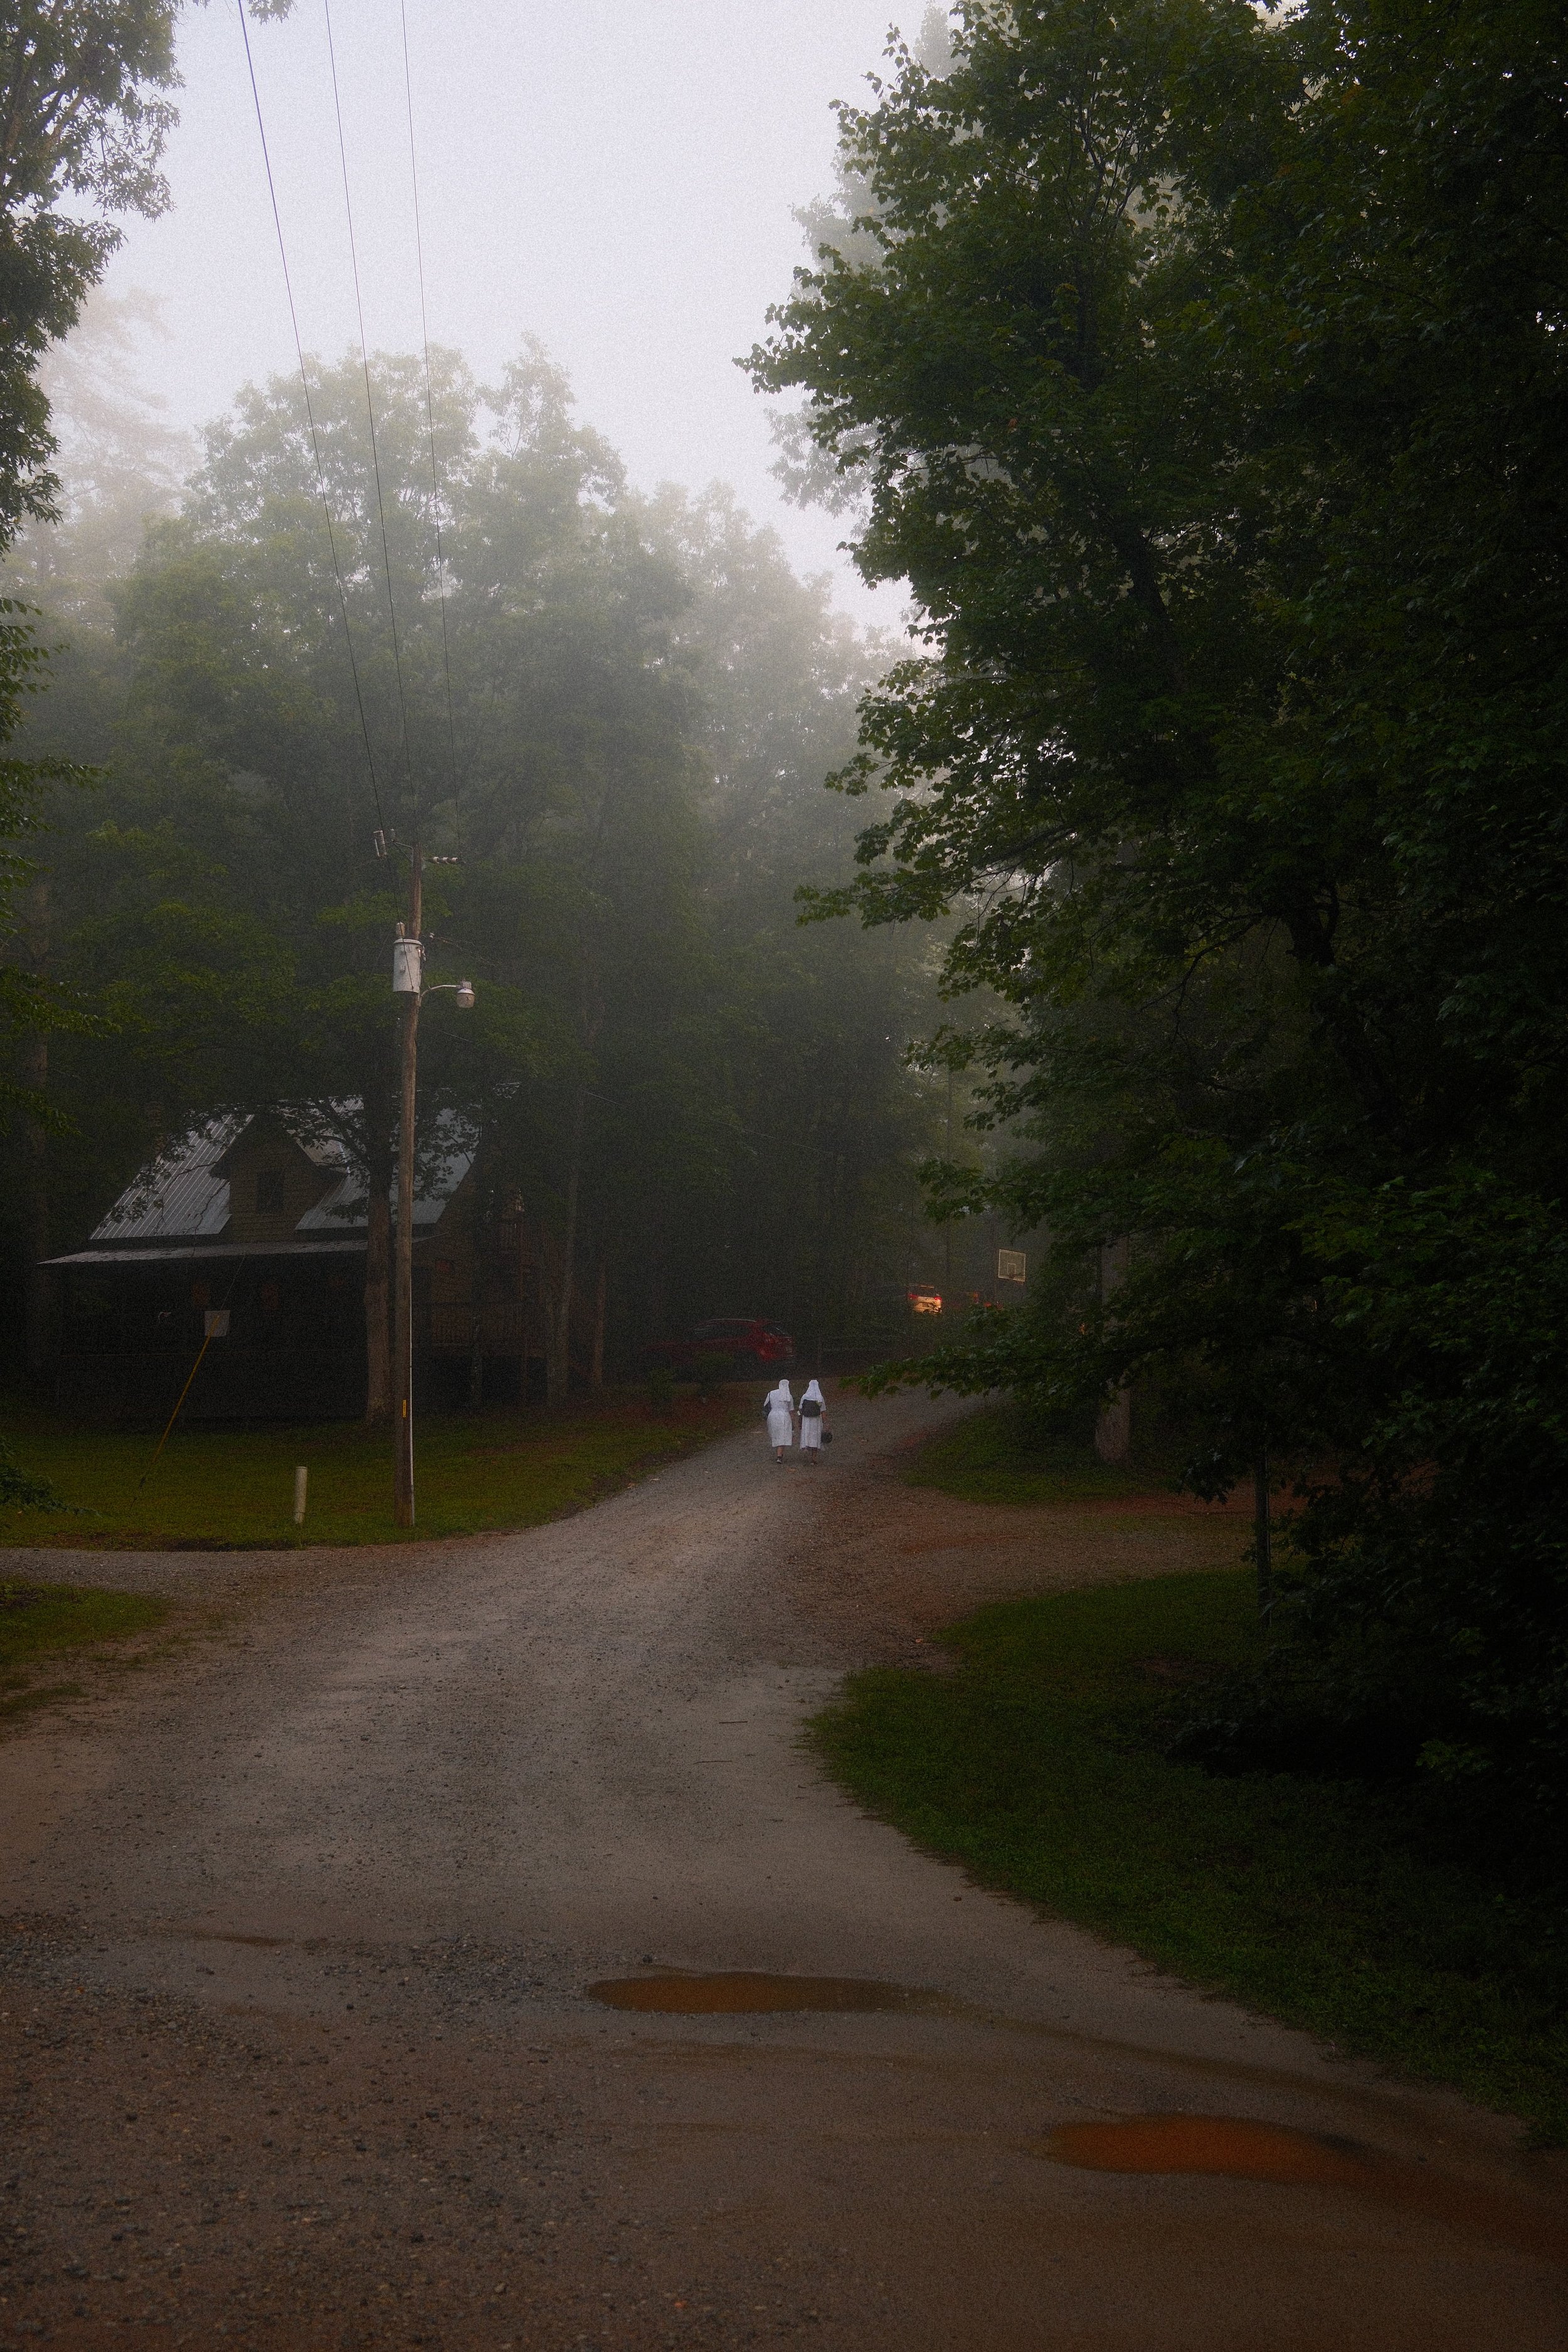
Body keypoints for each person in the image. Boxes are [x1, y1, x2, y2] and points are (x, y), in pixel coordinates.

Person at [797, 1377, 829, 1463]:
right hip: (816, 1420)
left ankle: (806, 1448)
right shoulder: (820, 1398)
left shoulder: (805, 1396)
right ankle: (814, 1458)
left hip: (806, 1420)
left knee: (807, 1434)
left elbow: (800, 1409)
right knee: (816, 1437)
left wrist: (799, 1419)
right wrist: (825, 1423)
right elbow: (823, 1411)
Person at [765, 1377, 795, 1463]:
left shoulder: (771, 1393)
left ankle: (779, 1453)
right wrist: (793, 1423)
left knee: (776, 1434)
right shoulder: (789, 1396)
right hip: (784, 1416)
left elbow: (766, 1405)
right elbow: (791, 1410)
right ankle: (779, 1456)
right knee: (783, 1435)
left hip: (772, 1415)